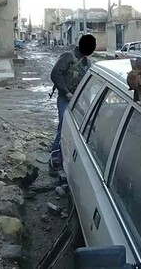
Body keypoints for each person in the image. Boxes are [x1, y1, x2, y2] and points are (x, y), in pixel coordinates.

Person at [49, 34, 97, 175]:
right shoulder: (69, 57)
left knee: (77, 131)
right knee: (63, 128)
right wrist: (66, 92)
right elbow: (55, 73)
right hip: (66, 99)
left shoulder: (87, 63)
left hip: (79, 101)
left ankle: (68, 158)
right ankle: (54, 160)